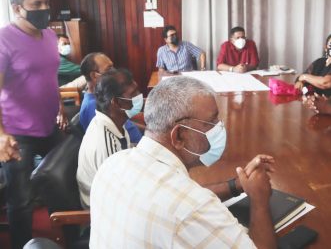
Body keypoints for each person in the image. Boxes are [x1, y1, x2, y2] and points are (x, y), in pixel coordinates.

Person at [90, 76, 277, 249]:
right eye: (211, 122)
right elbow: (187, 206)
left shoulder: (112, 164)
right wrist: (259, 200)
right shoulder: (193, 208)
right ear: (179, 135)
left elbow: (176, 199)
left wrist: (237, 185)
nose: (220, 127)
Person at [0, 0, 68, 249]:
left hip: (50, 125)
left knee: (60, 185)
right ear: (18, 8)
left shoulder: (50, 36)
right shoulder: (4, 39)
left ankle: (68, 237)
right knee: (21, 200)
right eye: (36, 4)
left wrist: (61, 107)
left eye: (47, 3)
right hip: (17, 133)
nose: (44, 9)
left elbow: (51, 77)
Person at [77, 68, 142, 209]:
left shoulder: (114, 122)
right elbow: (117, 197)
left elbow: (126, 148)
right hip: (102, 207)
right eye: (133, 94)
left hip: (117, 189)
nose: (139, 96)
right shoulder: (106, 142)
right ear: (116, 103)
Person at [79, 52, 143, 143]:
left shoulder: (104, 97)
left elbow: (127, 123)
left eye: (113, 67)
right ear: (94, 76)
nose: (114, 72)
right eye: (109, 69)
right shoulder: (92, 106)